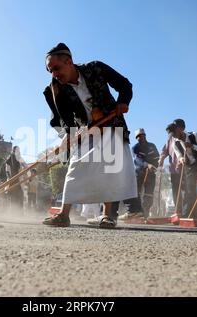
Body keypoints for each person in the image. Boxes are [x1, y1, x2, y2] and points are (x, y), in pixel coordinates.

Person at [42, 43, 137, 229]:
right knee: (76, 167)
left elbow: (124, 85)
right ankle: (63, 214)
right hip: (85, 131)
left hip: (111, 125)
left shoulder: (96, 68)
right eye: (50, 71)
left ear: (69, 61)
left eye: (56, 68)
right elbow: (63, 118)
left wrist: (123, 101)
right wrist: (69, 135)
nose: (53, 74)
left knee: (110, 169)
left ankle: (107, 216)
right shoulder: (56, 88)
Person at [167, 122, 197, 221]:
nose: (174, 137)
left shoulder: (193, 135)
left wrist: (192, 146)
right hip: (189, 167)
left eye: (174, 134)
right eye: (172, 135)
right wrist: (181, 159)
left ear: (179, 129)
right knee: (190, 191)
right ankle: (190, 215)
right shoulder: (175, 142)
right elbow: (179, 155)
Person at [119, 128, 159, 221]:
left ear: (145, 136)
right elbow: (137, 160)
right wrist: (146, 165)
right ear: (136, 138)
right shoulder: (135, 148)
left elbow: (157, 157)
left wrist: (153, 166)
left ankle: (145, 213)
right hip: (139, 174)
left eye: (142, 136)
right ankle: (138, 212)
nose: (141, 138)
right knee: (137, 193)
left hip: (151, 173)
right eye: (138, 137)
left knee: (149, 195)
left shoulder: (152, 146)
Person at [159, 119, 187, 215]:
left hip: (185, 168)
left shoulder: (185, 137)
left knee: (187, 190)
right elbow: (164, 151)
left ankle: (188, 212)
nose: (170, 134)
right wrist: (161, 159)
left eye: (172, 131)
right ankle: (178, 212)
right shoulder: (169, 139)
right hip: (174, 169)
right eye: (169, 133)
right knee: (176, 191)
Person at [0, 146, 26, 210]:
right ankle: (13, 211)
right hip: (12, 180)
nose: (18, 152)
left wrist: (26, 173)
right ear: (14, 151)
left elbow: (25, 166)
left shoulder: (20, 158)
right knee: (12, 197)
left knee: (20, 196)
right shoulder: (9, 159)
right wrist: (10, 178)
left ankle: (19, 212)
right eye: (16, 150)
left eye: (18, 150)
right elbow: (7, 170)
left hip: (19, 180)